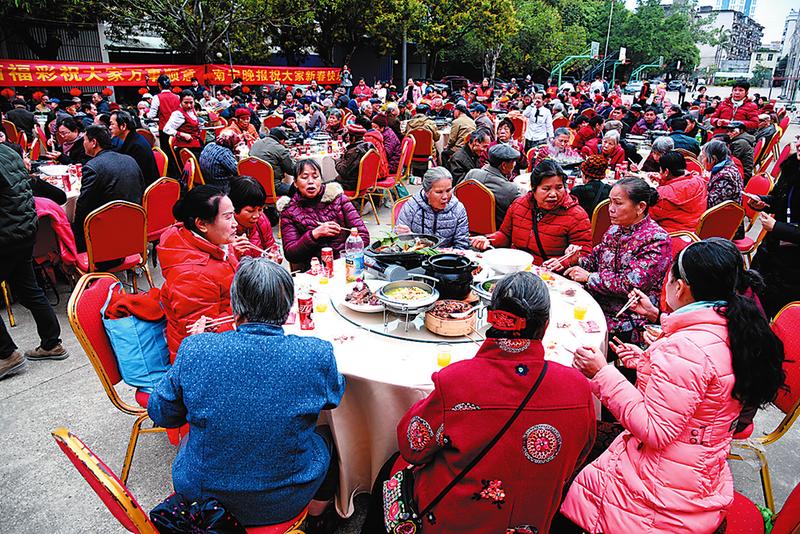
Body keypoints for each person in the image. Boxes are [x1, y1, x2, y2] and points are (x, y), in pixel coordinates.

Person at [563, 238, 785, 534]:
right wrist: (648, 362)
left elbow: (655, 430)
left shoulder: (686, 350)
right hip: (700, 469)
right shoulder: (737, 326)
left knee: (568, 460)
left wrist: (602, 373)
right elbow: (704, 389)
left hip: (660, 490)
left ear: (680, 287)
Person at [362, 272, 595, 534]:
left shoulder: (456, 381)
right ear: (546, 323)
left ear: (492, 316)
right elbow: (576, 459)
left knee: (389, 468)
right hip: (532, 521)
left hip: (453, 521)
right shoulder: (578, 388)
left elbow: (412, 446)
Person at [148, 257, 345, 527]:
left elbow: (162, 413)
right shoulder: (315, 353)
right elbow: (334, 398)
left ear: (234, 305)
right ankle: (317, 519)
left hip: (204, 494)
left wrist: (193, 352)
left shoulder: (197, 348)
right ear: (288, 307)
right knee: (326, 437)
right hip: (284, 500)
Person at [565, 178, 671, 342]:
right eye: (610, 203)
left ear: (640, 207)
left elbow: (630, 284)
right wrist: (576, 260)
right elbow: (595, 260)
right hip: (598, 302)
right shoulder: (615, 229)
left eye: (618, 203)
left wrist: (589, 277)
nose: (611, 209)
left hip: (628, 317)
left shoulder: (656, 239)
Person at [0, 144, 68, 379]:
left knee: (29, 288)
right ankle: (51, 344)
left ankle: (7, 355)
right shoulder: (8, 151)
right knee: (29, 289)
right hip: (25, 230)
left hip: (6, 235)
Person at [158, 186, 239, 362]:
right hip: (202, 362)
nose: (235, 224)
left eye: (233, 215)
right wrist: (252, 315)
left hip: (228, 338)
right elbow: (202, 334)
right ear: (201, 224)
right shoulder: (191, 275)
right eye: (227, 217)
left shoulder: (214, 243)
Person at [471, 159, 591, 269]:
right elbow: (505, 235)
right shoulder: (519, 205)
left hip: (549, 274)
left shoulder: (576, 216)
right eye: (546, 189)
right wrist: (488, 240)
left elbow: (585, 254)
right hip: (515, 267)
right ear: (533, 188)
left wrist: (565, 261)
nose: (553, 194)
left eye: (559, 187)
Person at [280, 158, 370, 270]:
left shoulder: (338, 198)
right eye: (304, 177)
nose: (311, 181)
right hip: (314, 270)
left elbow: (364, 237)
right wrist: (314, 234)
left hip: (347, 264)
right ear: (295, 183)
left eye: (315, 176)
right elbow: (291, 254)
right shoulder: (289, 211)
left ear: (321, 180)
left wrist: (347, 254)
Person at [72, 125, 144, 252]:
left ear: (94, 142)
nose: (83, 144)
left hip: (105, 234)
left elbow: (83, 206)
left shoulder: (92, 167)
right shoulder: (130, 159)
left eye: (84, 140)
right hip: (133, 228)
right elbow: (141, 189)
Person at [749, 139, 800, 317]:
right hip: (771, 252)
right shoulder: (792, 168)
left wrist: (777, 227)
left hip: (793, 266)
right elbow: (779, 200)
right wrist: (762, 203)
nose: (799, 145)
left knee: (780, 313)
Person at [395, 167, 469, 249]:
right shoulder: (412, 206)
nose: (445, 197)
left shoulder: (458, 209)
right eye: (439, 192)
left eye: (448, 191)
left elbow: (462, 245)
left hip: (446, 258)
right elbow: (397, 242)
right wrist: (405, 236)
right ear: (427, 192)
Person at [463, 143, 523, 228]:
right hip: (496, 233)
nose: (514, 165)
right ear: (504, 165)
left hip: (467, 226)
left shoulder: (472, 174)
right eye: (513, 162)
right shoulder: (510, 189)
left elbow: (456, 192)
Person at [649, 151, 707, 233]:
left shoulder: (664, 195)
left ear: (666, 172)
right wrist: (662, 180)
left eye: (660, 170)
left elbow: (649, 214)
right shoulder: (698, 181)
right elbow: (681, 186)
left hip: (674, 233)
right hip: (696, 229)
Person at [227, 176, 282, 263]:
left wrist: (274, 255)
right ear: (233, 208)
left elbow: (270, 246)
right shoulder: (222, 232)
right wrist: (232, 254)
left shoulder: (261, 219)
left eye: (260, 209)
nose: (256, 215)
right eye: (250, 211)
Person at [110, 110, 159, 188]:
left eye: (112, 124)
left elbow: (134, 175)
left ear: (123, 126)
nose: (109, 127)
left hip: (143, 187)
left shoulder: (136, 146)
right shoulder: (131, 138)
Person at [250, 127, 296, 196]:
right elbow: (292, 170)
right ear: (282, 140)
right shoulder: (280, 149)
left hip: (253, 186)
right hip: (273, 187)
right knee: (300, 190)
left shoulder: (256, 144)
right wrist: (292, 159)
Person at [146, 74, 181, 159]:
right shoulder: (177, 97)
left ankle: (168, 170)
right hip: (176, 129)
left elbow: (151, 115)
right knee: (176, 152)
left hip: (164, 129)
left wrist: (146, 113)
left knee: (167, 154)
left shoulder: (157, 97)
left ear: (159, 85)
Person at [700, 139, 743, 209]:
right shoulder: (727, 165)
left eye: (704, 157)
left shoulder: (725, 177)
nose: (702, 161)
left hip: (722, 216)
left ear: (713, 159)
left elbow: (710, 204)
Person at [163, 90, 203, 158]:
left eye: (191, 102)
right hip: (185, 148)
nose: (189, 105)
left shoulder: (192, 110)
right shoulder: (178, 114)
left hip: (196, 144)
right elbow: (166, 129)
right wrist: (182, 134)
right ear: (181, 102)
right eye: (186, 103)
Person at [335, 123, 374, 191]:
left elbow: (343, 171)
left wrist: (337, 160)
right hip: (365, 183)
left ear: (353, 138)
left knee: (325, 185)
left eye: (348, 136)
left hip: (351, 184)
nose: (347, 138)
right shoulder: (368, 147)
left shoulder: (355, 152)